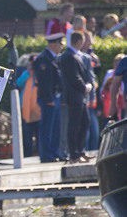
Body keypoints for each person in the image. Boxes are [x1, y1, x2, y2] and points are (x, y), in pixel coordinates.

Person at [58, 31, 93, 162]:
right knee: (74, 125)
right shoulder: (68, 56)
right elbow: (74, 77)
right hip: (74, 96)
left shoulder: (73, 55)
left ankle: (80, 151)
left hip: (79, 97)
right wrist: (85, 87)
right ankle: (74, 154)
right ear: (78, 41)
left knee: (84, 123)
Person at [34, 32, 66, 162]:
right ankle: (46, 155)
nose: (61, 46)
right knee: (47, 127)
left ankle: (54, 152)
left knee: (56, 127)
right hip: (49, 98)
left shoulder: (54, 57)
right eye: (60, 44)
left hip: (56, 96)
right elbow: (44, 81)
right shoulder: (44, 58)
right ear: (53, 44)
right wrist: (48, 99)